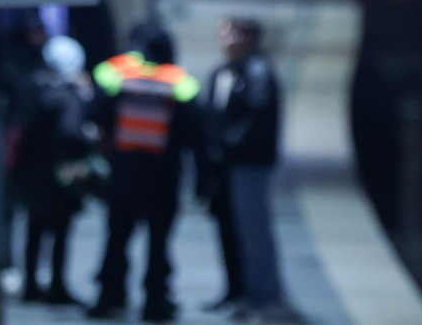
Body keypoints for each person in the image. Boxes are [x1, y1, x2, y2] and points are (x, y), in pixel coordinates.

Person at [87, 23, 201, 322]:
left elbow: (94, 111)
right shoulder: (179, 82)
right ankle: (155, 302)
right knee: (158, 243)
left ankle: (109, 295)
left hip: (124, 173)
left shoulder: (117, 74)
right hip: (164, 175)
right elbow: (195, 131)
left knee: (117, 238)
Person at [199, 18, 300, 323]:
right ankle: (236, 291)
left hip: (248, 164)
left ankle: (264, 296)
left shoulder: (256, 72)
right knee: (229, 227)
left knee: (253, 230)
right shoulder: (223, 73)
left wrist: (228, 145)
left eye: (230, 34)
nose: (224, 40)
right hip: (225, 165)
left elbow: (254, 116)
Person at [16, 35, 94, 304]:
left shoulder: (32, 88)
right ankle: (57, 285)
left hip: (33, 173)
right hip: (62, 175)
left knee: (34, 230)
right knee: (61, 232)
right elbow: (73, 134)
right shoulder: (68, 96)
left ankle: (30, 284)